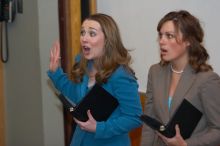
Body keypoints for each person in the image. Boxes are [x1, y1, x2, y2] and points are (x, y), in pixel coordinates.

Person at [48, 13, 142, 146]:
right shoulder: (84, 64)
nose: (84, 39)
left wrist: (99, 128)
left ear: (108, 40)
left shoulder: (121, 75)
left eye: (92, 34)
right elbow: (76, 95)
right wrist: (55, 73)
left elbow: (134, 118)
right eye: (82, 33)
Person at [142, 10, 220, 146]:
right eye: (160, 35)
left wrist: (186, 144)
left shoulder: (207, 79)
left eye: (169, 36)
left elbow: (217, 130)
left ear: (188, 40)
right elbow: (149, 121)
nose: (161, 41)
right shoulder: (155, 72)